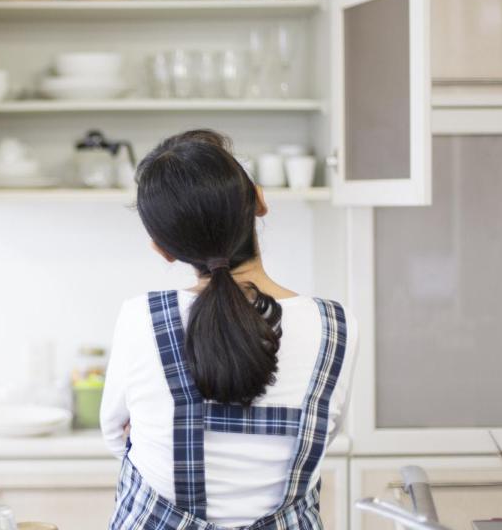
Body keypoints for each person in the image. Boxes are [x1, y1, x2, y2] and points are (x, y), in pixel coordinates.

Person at [100, 129, 358, 529]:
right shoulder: (337, 327)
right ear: (259, 201)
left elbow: (117, 436)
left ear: (162, 249)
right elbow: (324, 432)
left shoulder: (140, 319)